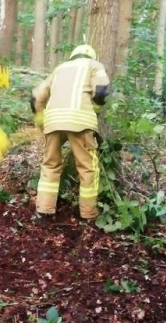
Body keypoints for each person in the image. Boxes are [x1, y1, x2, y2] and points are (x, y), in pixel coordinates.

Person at [30, 44, 111, 220]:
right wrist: (95, 110)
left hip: (53, 123)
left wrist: (41, 121)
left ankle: (44, 211)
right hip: (81, 122)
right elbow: (102, 90)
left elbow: (35, 97)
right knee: (88, 168)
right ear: (91, 55)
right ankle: (88, 214)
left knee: (50, 165)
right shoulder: (94, 65)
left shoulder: (59, 69)